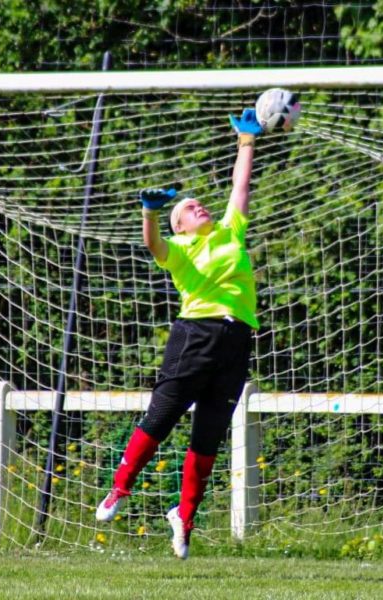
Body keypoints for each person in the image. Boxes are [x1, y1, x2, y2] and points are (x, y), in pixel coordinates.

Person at [95, 107, 264, 560]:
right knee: (162, 417)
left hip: (236, 341)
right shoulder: (179, 248)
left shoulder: (230, 232)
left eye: (198, 203)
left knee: (208, 437)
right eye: (188, 207)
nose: (197, 206)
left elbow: (240, 186)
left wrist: (246, 141)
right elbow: (153, 244)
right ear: (179, 226)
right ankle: (120, 488)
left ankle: (184, 518)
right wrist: (150, 214)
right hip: (195, 336)